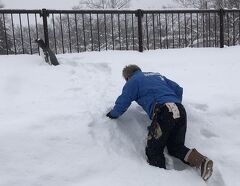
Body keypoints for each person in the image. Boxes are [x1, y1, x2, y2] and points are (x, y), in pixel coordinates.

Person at [106, 64, 213, 181]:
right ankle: (201, 161)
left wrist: (111, 115)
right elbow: (178, 89)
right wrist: (174, 104)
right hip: (180, 110)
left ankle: (160, 181)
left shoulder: (133, 81)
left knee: (154, 150)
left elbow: (123, 101)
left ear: (127, 77)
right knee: (176, 147)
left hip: (163, 112)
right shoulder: (157, 76)